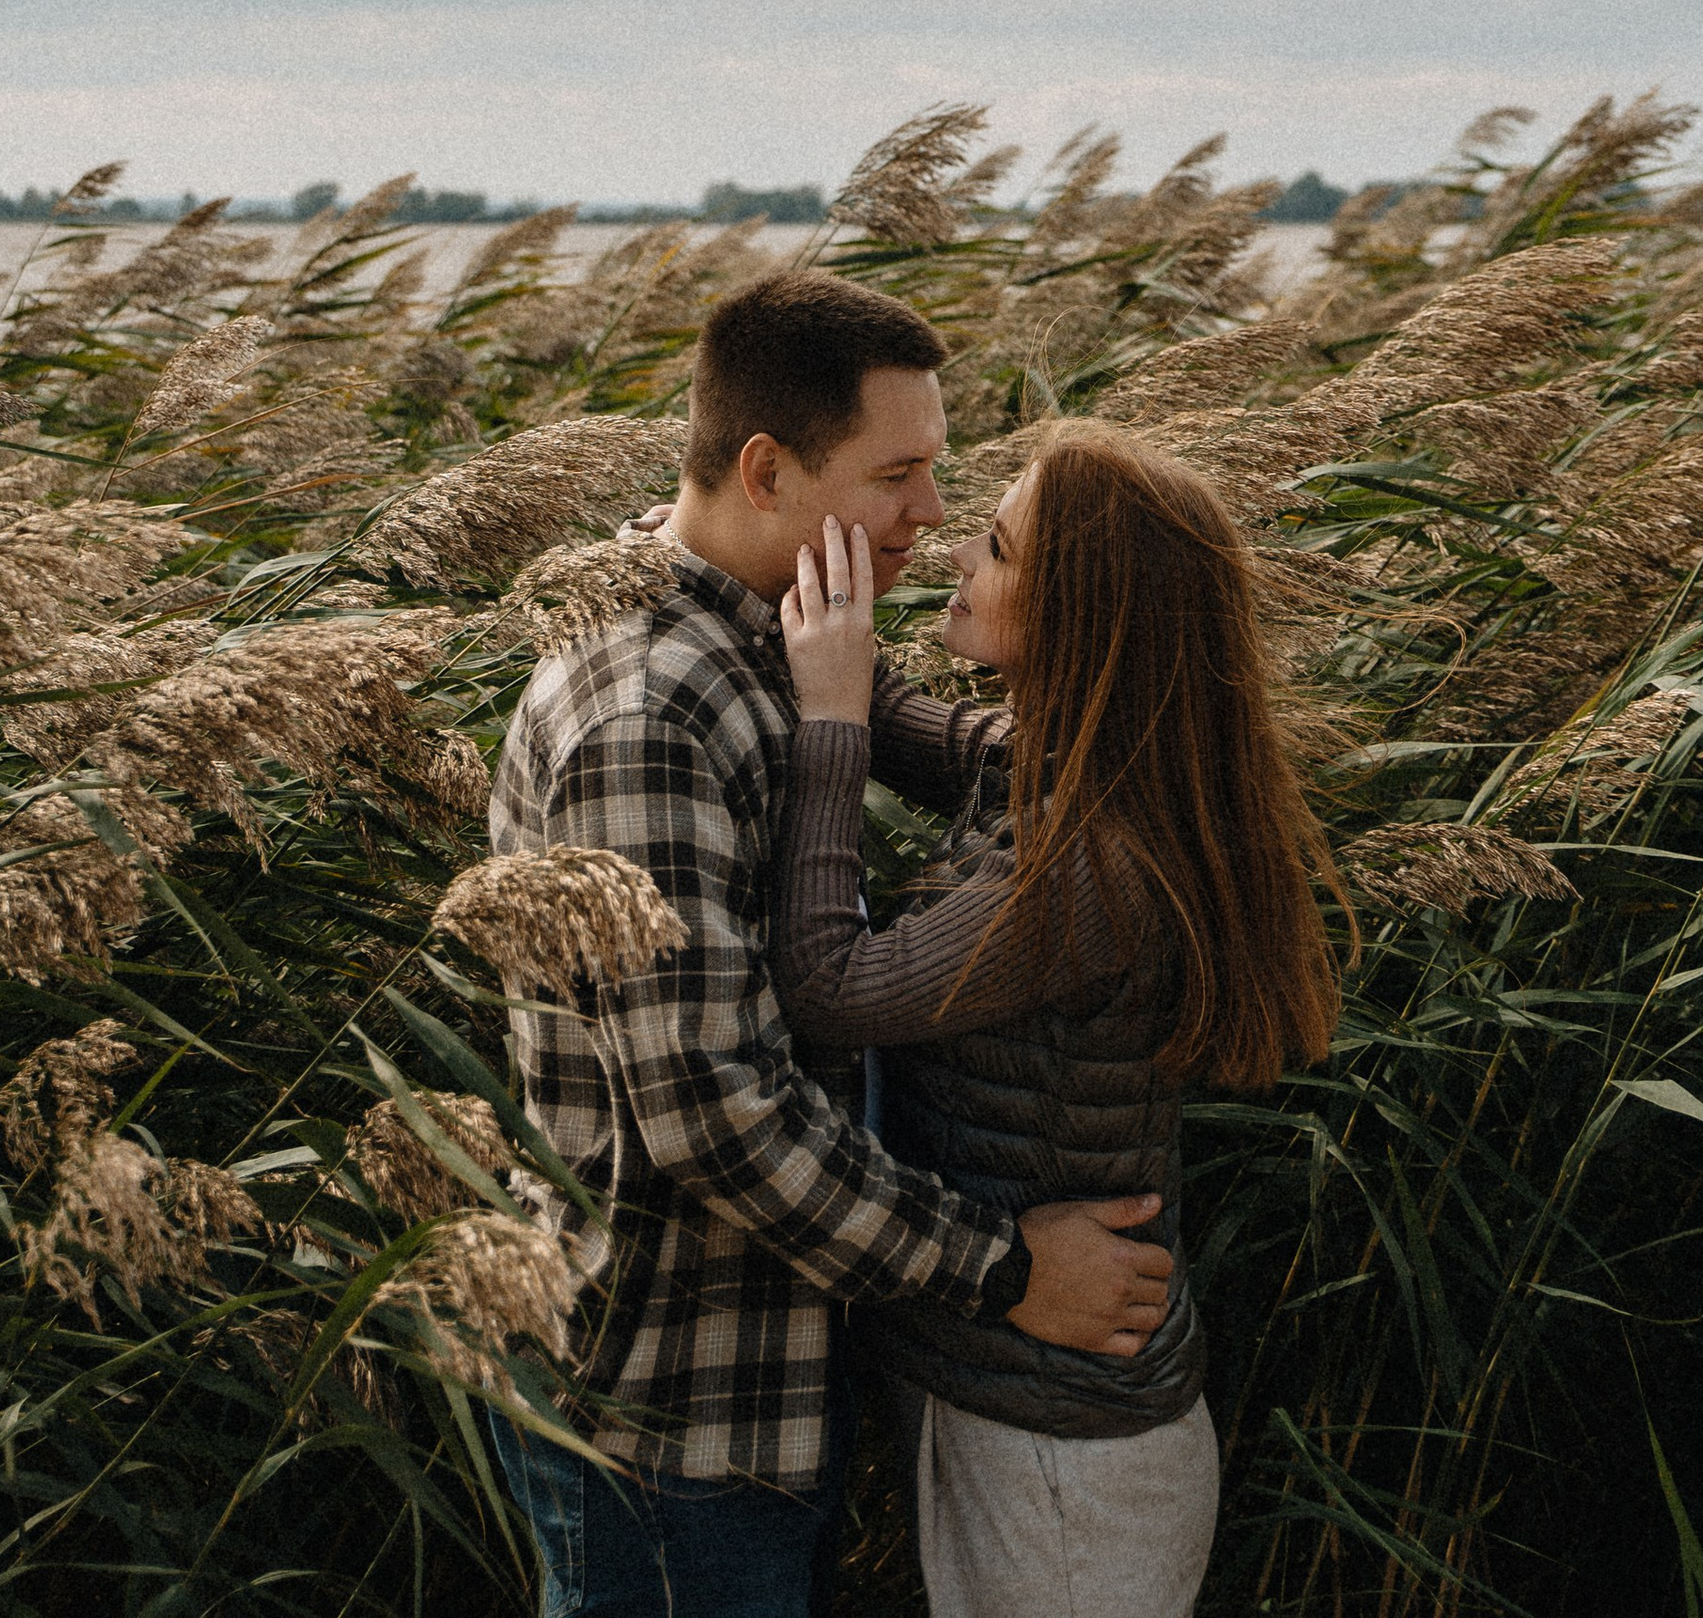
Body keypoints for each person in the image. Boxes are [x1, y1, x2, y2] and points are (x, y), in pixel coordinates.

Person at [486, 271, 1180, 1616]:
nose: (931, 512)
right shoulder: (651, 717)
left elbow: (927, 730)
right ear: (766, 470)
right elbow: (714, 1118)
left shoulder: (776, 625)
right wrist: (1010, 1267)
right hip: (668, 1417)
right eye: (901, 472)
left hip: (763, 1384)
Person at [771, 420, 1344, 1618]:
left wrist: (824, 726)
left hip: (1062, 1460)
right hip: (1032, 1407)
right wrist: (766, 568)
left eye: (993, 546)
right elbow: (909, 723)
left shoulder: (1090, 861)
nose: (959, 562)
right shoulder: (1081, 763)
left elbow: (832, 982)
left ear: (1079, 608)